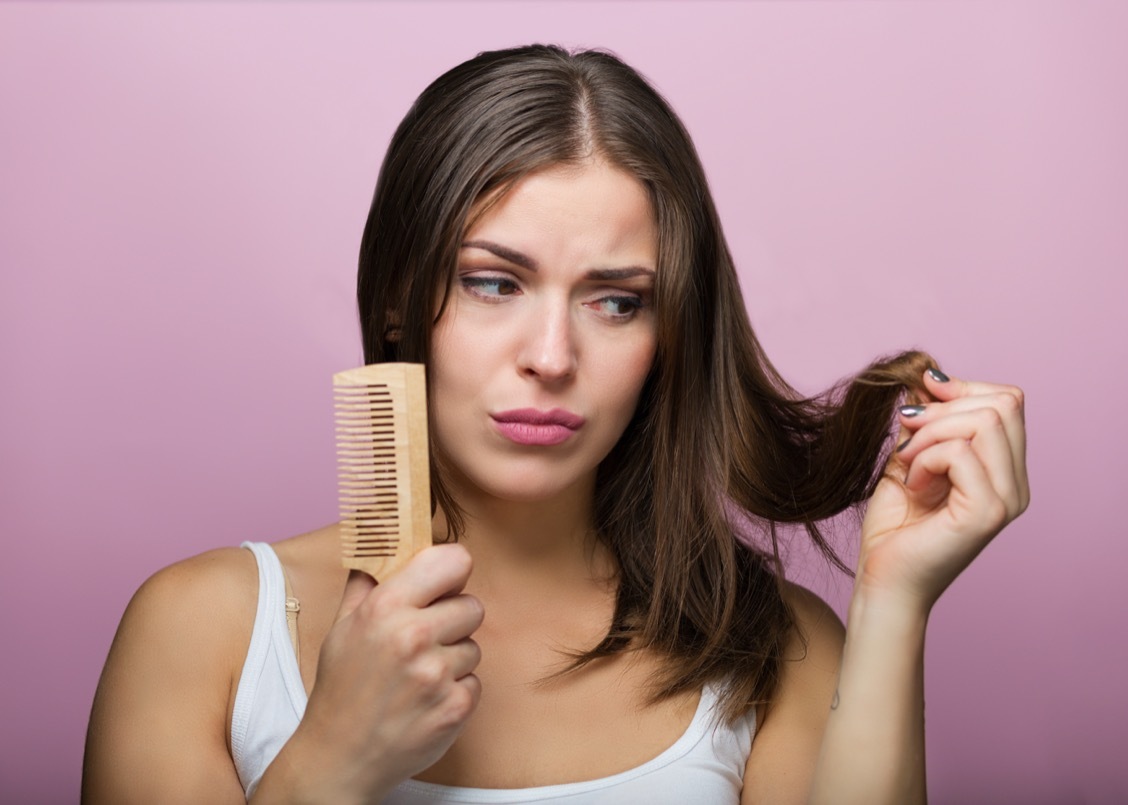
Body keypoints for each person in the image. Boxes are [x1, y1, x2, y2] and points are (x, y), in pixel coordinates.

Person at [82, 44, 1028, 804]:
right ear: (404, 304)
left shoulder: (774, 650)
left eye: (616, 301)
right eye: (493, 282)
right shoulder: (204, 630)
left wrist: (896, 601)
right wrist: (329, 760)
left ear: (668, 335)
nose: (551, 355)